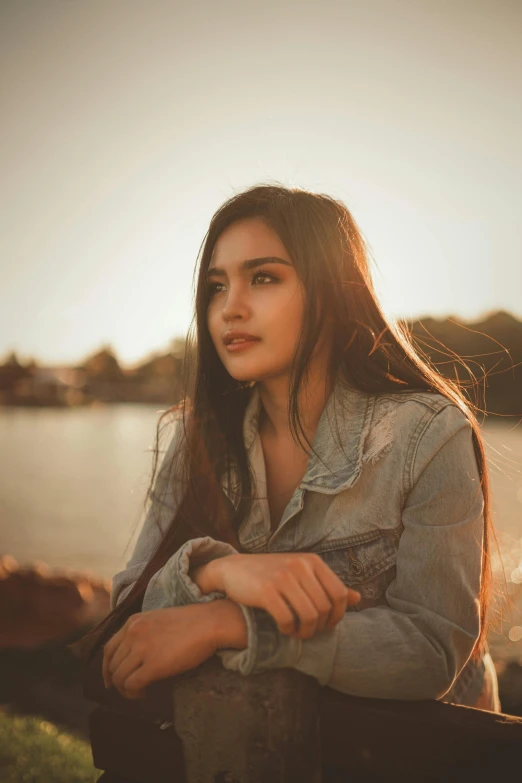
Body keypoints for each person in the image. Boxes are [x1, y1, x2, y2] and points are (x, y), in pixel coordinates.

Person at [78, 183, 501, 713]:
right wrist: (217, 571)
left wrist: (233, 623)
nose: (230, 308)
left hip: (427, 747)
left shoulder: (427, 435)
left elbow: (434, 650)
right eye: (215, 287)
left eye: (263, 278)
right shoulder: (197, 438)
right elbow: (128, 611)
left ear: (330, 292)